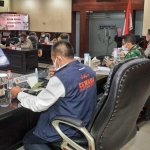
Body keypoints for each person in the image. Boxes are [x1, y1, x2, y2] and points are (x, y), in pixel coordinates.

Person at [11, 41, 97, 150]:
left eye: (53, 60)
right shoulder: (88, 70)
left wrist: (18, 94)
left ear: (59, 58)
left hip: (67, 127)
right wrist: (56, 75)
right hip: (85, 119)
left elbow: (38, 105)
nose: (53, 63)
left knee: (29, 140)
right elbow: (72, 87)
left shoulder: (61, 78)